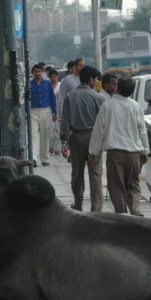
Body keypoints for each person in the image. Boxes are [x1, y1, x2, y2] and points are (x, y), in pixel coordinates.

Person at [89, 76, 149, 216]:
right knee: (133, 185)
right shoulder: (136, 106)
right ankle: (135, 209)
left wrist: (93, 151)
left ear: (117, 88)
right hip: (134, 153)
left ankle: (121, 214)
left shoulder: (108, 105)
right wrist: (145, 151)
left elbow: (99, 130)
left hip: (115, 154)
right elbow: (142, 131)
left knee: (116, 186)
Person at [60, 66, 105, 212]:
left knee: (77, 173)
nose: (97, 82)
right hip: (94, 137)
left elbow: (65, 121)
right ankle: (96, 208)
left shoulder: (70, 96)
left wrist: (64, 143)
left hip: (76, 137)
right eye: (96, 79)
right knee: (96, 174)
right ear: (91, 79)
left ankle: (78, 204)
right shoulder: (99, 97)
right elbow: (103, 121)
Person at [30, 64, 57, 167]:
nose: (37, 73)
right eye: (35, 71)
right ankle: (34, 158)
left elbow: (51, 97)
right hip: (33, 111)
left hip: (46, 111)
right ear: (33, 73)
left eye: (39, 71)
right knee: (33, 135)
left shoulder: (47, 83)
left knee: (45, 135)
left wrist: (54, 112)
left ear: (42, 72)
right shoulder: (29, 84)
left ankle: (45, 158)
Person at [57, 58, 85, 123]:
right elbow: (62, 96)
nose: (82, 67)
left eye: (83, 65)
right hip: (71, 110)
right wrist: (62, 113)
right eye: (80, 65)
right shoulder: (67, 79)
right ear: (75, 66)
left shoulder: (86, 79)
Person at [48, 68, 62, 155]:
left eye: (55, 76)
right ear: (49, 77)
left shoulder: (61, 85)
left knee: (58, 130)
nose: (53, 78)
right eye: (51, 76)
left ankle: (58, 149)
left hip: (59, 109)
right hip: (49, 109)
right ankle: (50, 147)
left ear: (57, 77)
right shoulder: (47, 85)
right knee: (50, 130)